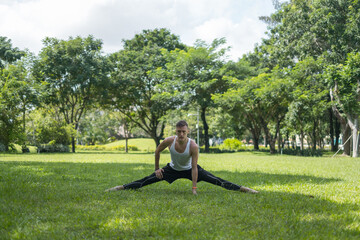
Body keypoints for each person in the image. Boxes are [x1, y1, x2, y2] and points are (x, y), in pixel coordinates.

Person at [105, 120, 258, 195]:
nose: (181, 134)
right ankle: (121, 187)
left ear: (187, 132)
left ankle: (244, 189)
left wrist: (194, 188)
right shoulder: (169, 141)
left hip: (189, 169)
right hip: (171, 169)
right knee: (146, 180)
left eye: (183, 132)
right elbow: (157, 152)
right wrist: (157, 169)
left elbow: (193, 166)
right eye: (178, 131)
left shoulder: (193, 146)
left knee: (216, 180)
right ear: (176, 131)